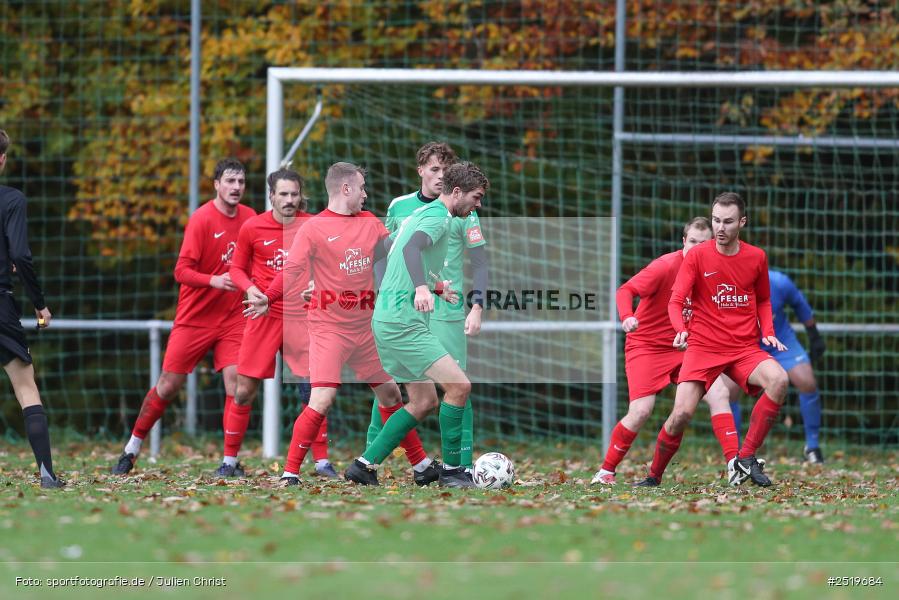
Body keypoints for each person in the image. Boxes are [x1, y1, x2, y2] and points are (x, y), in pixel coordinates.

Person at [254, 162, 434, 486]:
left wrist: (429, 284)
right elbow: (292, 271)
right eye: (362, 188)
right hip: (329, 328)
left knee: (391, 395)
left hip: (365, 329)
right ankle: (289, 473)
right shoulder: (314, 228)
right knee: (321, 400)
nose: (366, 194)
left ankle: (421, 466)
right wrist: (268, 297)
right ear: (346, 189)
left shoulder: (370, 223)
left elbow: (397, 260)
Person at [343, 161, 488, 488]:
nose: (478, 205)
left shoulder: (425, 216)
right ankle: (453, 472)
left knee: (424, 401)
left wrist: (435, 287)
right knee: (460, 386)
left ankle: (364, 465)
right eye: (476, 197)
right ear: (456, 192)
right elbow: (410, 248)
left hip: (391, 319)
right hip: (402, 324)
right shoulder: (437, 218)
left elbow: (394, 256)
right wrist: (423, 289)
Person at [112, 158, 255, 476]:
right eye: (230, 181)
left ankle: (229, 463)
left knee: (238, 386)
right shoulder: (202, 219)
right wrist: (214, 280)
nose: (236, 187)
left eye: (241, 182)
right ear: (216, 184)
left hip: (233, 317)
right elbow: (181, 271)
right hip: (195, 318)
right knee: (167, 385)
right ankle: (131, 449)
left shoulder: (250, 219)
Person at [635, 192, 789, 488]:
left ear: (742, 222)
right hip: (703, 348)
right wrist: (680, 328)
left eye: (728, 221)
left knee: (779, 380)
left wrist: (768, 332)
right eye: (716, 220)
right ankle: (654, 475)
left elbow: (764, 301)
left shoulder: (756, 257)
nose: (720, 227)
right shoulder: (697, 255)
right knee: (680, 414)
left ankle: (745, 457)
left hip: (743, 348)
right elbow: (675, 300)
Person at [591, 217, 742, 486]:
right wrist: (627, 316)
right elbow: (626, 290)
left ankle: (735, 465)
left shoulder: (716, 272)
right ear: (683, 242)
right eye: (692, 242)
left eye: (703, 243)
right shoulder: (665, 266)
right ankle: (605, 472)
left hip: (686, 348)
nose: (696, 249)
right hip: (646, 346)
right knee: (641, 411)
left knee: (719, 393)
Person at [226, 168, 334, 478]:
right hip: (264, 315)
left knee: (313, 389)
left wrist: (318, 284)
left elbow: (330, 265)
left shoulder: (313, 225)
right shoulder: (252, 227)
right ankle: (229, 462)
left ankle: (322, 462)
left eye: (294, 194)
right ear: (271, 195)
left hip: (303, 317)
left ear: (302, 195)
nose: (289, 200)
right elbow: (236, 269)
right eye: (283, 194)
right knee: (243, 391)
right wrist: (250, 288)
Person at [0, 129, 63, 489]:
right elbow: (22, 255)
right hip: (2, 305)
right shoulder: (12, 200)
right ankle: (47, 474)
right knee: (26, 388)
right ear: (3, 159)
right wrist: (40, 305)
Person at [728, 269, 827, 463]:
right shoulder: (727, 287)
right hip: (743, 343)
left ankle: (812, 447)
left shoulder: (779, 282)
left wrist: (814, 334)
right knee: (729, 391)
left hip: (781, 341)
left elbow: (800, 305)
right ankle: (735, 450)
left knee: (807, 382)